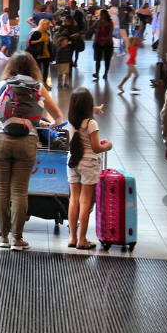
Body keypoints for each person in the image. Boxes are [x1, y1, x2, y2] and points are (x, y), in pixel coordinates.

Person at [0, 52, 63, 252]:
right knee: (20, 191)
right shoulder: (38, 87)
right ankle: (17, 239)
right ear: (33, 68)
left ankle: (2, 236)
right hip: (27, 141)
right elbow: (58, 116)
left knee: (1, 191)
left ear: (10, 67)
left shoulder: (0, 86)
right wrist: (43, 125)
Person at [66, 87, 111, 251]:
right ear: (89, 105)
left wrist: (94, 109)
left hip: (73, 162)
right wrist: (108, 145)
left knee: (74, 200)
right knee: (85, 202)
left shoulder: (71, 121)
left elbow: (79, 110)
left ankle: (72, 238)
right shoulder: (91, 124)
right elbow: (96, 148)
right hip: (89, 164)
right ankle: (83, 240)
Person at [27, 18, 53, 86]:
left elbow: (48, 44)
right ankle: (38, 83)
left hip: (46, 53)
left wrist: (51, 54)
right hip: (38, 53)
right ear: (43, 25)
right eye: (47, 24)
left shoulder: (47, 33)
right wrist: (39, 41)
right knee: (38, 69)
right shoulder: (37, 33)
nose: (49, 25)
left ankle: (44, 83)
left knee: (46, 69)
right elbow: (31, 42)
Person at [90, 9, 114, 80]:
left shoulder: (110, 23)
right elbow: (92, 28)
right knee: (98, 59)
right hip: (98, 42)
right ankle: (97, 73)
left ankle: (106, 73)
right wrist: (85, 33)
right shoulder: (98, 22)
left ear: (106, 15)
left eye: (102, 14)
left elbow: (110, 34)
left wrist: (105, 39)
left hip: (108, 43)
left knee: (107, 59)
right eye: (100, 14)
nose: (101, 16)